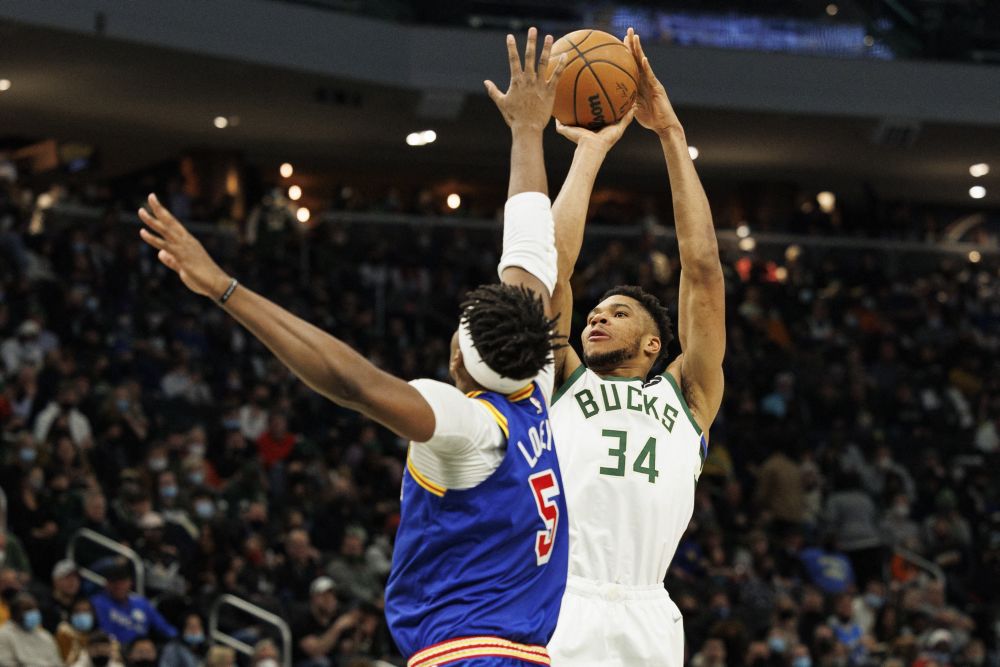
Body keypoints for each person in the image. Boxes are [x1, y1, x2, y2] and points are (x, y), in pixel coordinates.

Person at [138, 27, 570, 666]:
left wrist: (224, 288)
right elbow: (531, 245)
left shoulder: (469, 426)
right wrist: (529, 133)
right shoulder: (534, 383)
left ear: (458, 360)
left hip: (465, 655)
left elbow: (353, 382)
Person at [545, 29, 725, 667]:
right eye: (593, 314)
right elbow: (553, 270)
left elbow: (702, 273)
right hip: (562, 597)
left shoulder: (689, 393)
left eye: (616, 313)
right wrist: (590, 153)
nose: (595, 319)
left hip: (650, 609)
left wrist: (671, 137)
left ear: (654, 342)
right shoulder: (563, 379)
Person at [89, 561, 177, 646]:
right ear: (107, 584)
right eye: (115, 582)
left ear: (129, 582)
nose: (119, 586)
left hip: (140, 650)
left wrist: (178, 639)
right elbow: (104, 632)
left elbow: (163, 627)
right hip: (113, 649)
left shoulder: (141, 603)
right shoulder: (98, 603)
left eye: (122, 582)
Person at [0, 591, 64, 666]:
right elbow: (6, 663)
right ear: (14, 613)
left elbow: (58, 663)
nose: (33, 613)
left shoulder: (45, 636)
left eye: (34, 609)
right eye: (27, 609)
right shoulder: (3, 635)